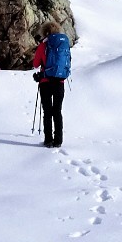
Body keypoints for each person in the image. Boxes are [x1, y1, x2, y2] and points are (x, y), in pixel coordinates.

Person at [31, 20, 70, 148]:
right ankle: (58, 140)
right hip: (59, 82)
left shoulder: (43, 46)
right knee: (57, 111)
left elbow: (36, 64)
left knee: (47, 111)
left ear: (45, 32)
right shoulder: (63, 44)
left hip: (45, 82)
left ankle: (48, 140)